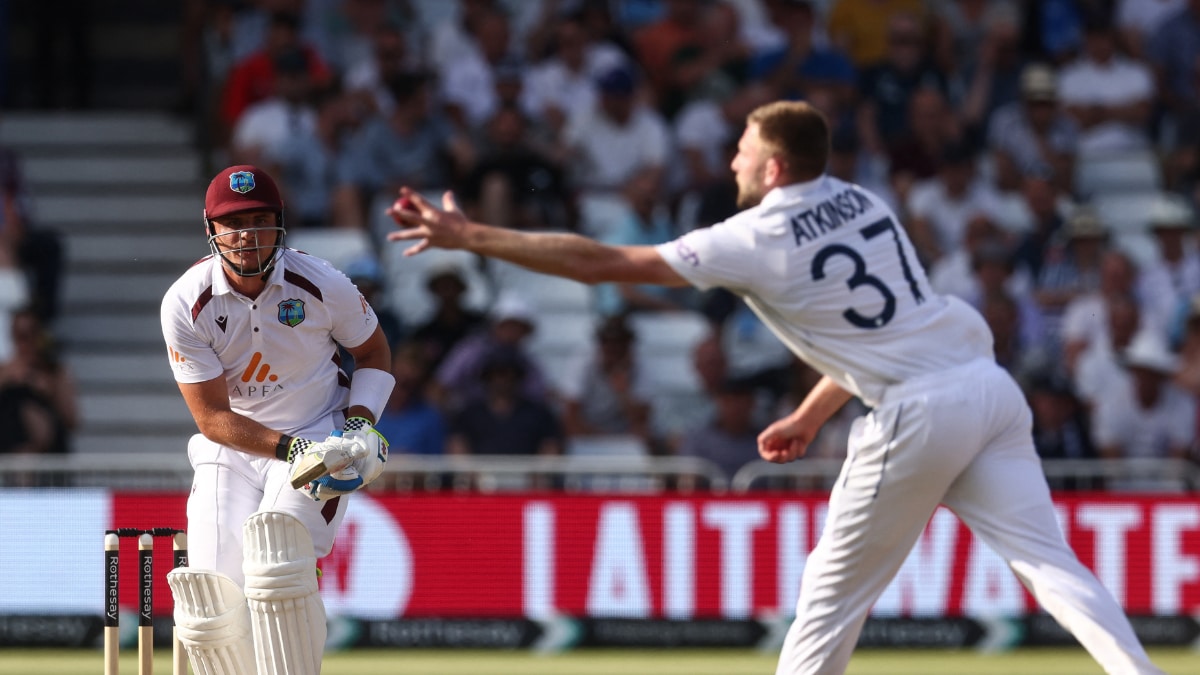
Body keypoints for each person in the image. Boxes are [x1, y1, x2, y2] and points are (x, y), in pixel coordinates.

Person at [386, 100, 1163, 675]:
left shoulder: (753, 235)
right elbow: (887, 330)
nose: (731, 162)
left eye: (742, 151)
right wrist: (807, 409)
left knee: (829, 589)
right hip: (985, 383)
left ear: (775, 168)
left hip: (919, 408)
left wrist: (473, 235)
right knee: (1052, 564)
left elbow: (603, 263)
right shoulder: (867, 201)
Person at [160, 165, 394, 674]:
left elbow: (374, 353)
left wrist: (357, 428)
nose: (246, 234)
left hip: (317, 432)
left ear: (280, 225)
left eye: (260, 219)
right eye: (233, 222)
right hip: (235, 447)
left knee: (276, 565)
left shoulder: (321, 282)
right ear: (211, 230)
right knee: (208, 602)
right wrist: (291, 449)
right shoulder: (185, 302)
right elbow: (213, 418)